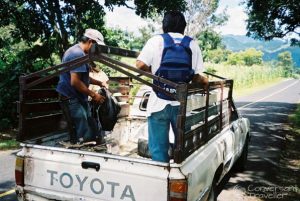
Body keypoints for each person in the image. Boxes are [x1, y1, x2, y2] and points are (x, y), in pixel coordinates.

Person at [136, 11, 208, 162]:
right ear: (183, 27)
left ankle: (160, 178)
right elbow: (196, 76)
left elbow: (140, 65)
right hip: (180, 105)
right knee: (183, 146)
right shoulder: (192, 44)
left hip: (157, 103)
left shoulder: (156, 41)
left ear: (164, 26)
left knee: (158, 149)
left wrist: (154, 72)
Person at [56, 28, 106, 144]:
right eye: (97, 46)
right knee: (83, 131)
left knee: (90, 127)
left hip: (78, 97)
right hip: (70, 97)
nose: (97, 50)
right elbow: (75, 82)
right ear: (90, 42)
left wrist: (99, 83)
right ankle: (81, 156)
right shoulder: (76, 54)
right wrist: (94, 95)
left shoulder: (81, 53)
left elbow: (83, 78)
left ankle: (87, 150)